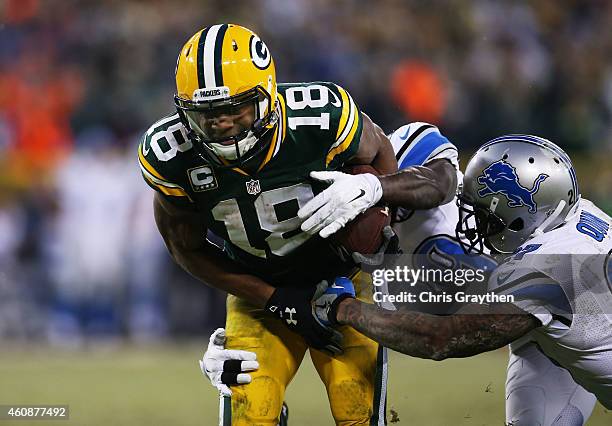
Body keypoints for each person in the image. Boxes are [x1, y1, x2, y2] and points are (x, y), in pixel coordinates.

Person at [138, 24, 457, 425]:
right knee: (249, 416)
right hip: (258, 291)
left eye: (237, 110)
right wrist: (273, 298)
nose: (223, 126)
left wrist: (376, 207)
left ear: (269, 96)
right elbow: (185, 247)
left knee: (354, 412)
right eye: (208, 116)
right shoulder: (169, 155)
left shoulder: (320, 115)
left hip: (343, 279)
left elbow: (380, 149)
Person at [317, 134, 611, 423]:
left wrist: (346, 308)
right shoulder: (575, 216)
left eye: (484, 216)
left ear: (523, 213)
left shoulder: (545, 269)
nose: (474, 227)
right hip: (561, 337)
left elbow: (441, 338)